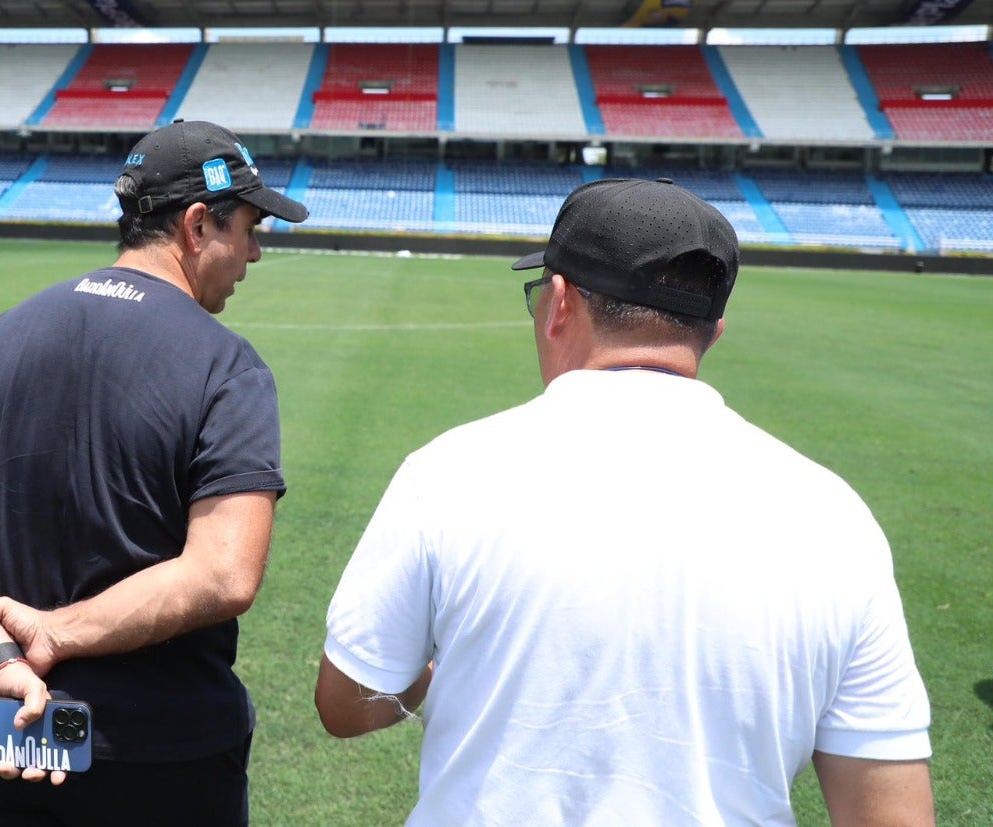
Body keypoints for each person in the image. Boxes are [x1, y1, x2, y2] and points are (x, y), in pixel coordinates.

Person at [315, 178, 934, 826]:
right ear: (713, 330)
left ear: (558, 302)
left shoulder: (447, 473)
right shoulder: (834, 519)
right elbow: (890, 810)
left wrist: (426, 679)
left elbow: (347, 698)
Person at [0, 118, 309, 826]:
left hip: (0, 732)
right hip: (157, 757)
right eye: (249, 225)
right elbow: (224, 572)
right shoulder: (228, 365)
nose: (256, 249)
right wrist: (55, 633)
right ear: (194, 224)